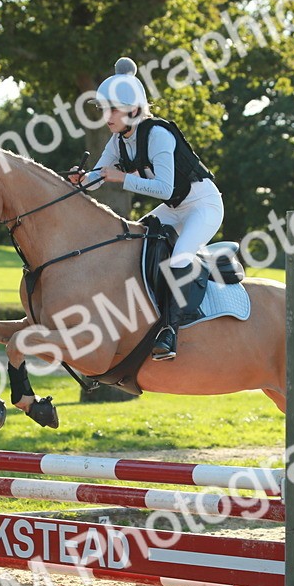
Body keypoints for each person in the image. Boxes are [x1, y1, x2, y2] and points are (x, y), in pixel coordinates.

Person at [69, 57, 223, 361]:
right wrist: (81, 180)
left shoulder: (158, 135)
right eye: (105, 109)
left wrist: (122, 178)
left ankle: (169, 331)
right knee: (131, 246)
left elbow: (164, 188)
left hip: (203, 206)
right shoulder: (118, 141)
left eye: (114, 109)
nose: (108, 117)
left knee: (179, 257)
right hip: (175, 208)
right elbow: (100, 175)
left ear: (135, 110)